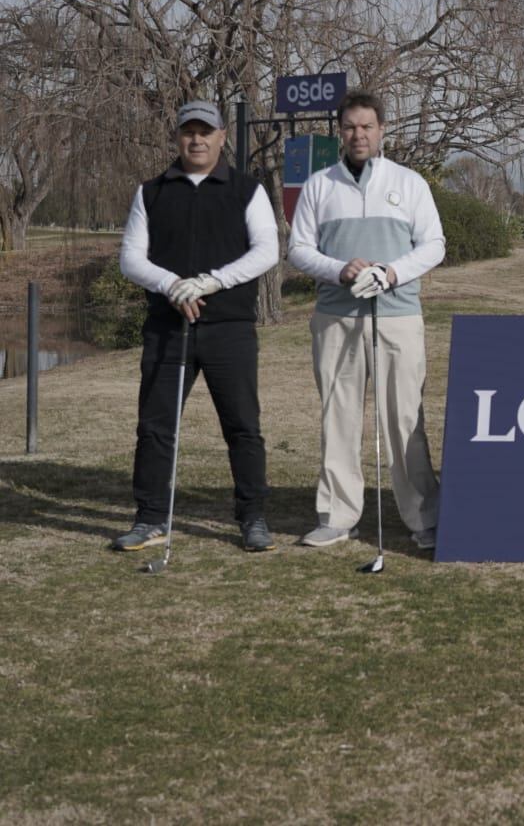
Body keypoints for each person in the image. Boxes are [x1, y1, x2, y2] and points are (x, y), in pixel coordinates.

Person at [113, 101, 279, 552]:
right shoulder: (151, 191)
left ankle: (252, 517)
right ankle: (150, 518)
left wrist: (210, 282)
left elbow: (266, 251)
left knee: (242, 425)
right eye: (189, 131)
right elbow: (131, 258)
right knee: (155, 426)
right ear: (177, 136)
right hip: (168, 327)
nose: (197, 139)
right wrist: (171, 285)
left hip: (229, 327)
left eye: (206, 131)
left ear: (223, 136)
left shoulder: (247, 189)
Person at [289, 90, 445, 550]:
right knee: (338, 416)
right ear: (340, 132)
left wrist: (391, 272)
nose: (359, 135)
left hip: (397, 315)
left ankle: (423, 518)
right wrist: (341, 269)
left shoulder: (410, 182)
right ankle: (337, 515)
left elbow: (433, 245)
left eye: (367, 127)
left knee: (404, 420)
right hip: (337, 317)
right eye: (350, 127)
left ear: (381, 131)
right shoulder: (320, 185)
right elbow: (299, 250)